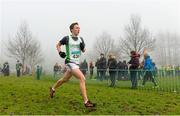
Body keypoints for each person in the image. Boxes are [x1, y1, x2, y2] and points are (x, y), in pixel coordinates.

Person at [49, 22, 96, 108]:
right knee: (82, 78)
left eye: (79, 28)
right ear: (72, 30)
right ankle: (86, 102)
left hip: (76, 63)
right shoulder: (67, 38)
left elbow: (84, 50)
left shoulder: (81, 39)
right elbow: (58, 45)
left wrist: (82, 47)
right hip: (69, 61)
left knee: (64, 79)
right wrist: (60, 52)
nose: (78, 29)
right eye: (76, 28)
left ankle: (52, 89)